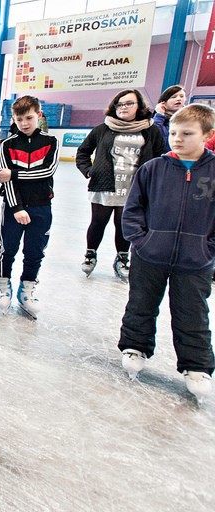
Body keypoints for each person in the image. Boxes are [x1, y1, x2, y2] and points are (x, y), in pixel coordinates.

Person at [118, 103, 215, 401]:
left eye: (187, 133)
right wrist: (143, 242)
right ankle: (136, 346)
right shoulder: (153, 168)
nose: (177, 138)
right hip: (150, 255)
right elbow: (132, 210)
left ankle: (196, 365)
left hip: (195, 259)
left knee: (193, 312)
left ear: (208, 135)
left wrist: (207, 249)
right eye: (173, 132)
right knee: (141, 303)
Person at [75, 89, 165, 279]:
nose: (123, 107)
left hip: (134, 187)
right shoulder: (103, 128)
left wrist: (153, 181)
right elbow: (83, 152)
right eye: (120, 103)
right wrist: (89, 170)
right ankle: (90, 254)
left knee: (124, 224)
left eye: (129, 103)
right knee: (98, 222)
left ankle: (122, 258)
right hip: (105, 184)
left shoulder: (150, 130)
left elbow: (160, 157)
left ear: (138, 106)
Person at [0, 95, 58, 319]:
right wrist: (17, 208)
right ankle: (3, 288)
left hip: (42, 207)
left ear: (38, 116)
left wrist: (15, 173)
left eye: (29, 118)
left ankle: (27, 290)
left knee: (35, 251)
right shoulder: (7, 145)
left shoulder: (51, 142)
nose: (24, 123)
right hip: (14, 208)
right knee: (7, 249)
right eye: (19, 119)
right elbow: (6, 181)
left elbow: (47, 172)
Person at [153, 85, 186, 152]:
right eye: (174, 97)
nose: (179, 99)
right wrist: (160, 115)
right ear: (163, 103)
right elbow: (154, 137)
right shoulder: (157, 119)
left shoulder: (190, 119)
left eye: (182, 96)